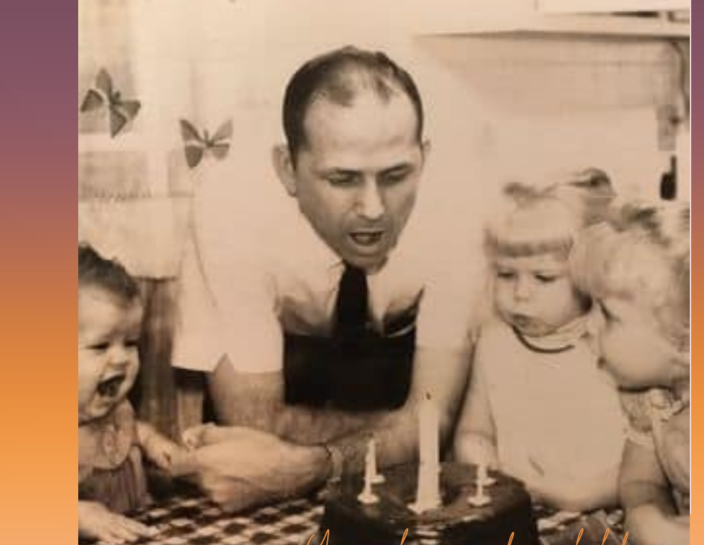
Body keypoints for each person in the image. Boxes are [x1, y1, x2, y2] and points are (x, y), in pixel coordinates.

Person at [172, 47, 482, 510]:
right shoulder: (230, 209)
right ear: (287, 170)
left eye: (396, 174)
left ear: (424, 157)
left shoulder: (459, 202)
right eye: (343, 179)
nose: (375, 209)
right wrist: (396, 431)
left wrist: (315, 465)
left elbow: (433, 423)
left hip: (383, 374)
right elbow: (253, 427)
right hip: (291, 369)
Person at [454, 175, 626, 511]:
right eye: (505, 274)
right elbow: (474, 432)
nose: (520, 293)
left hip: (601, 518)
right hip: (518, 511)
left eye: (543, 277)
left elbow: (648, 466)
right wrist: (490, 470)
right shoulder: (495, 341)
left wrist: (580, 495)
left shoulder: (615, 347)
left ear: (590, 276)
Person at [570, 202, 690, 545]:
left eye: (607, 315)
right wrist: (645, 516)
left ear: (686, 343)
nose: (586, 327)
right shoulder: (651, 397)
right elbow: (639, 480)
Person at [79, 244, 187, 544]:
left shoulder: (117, 409)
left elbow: (130, 429)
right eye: (101, 346)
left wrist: (152, 442)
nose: (122, 358)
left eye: (130, 343)